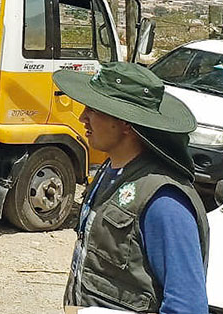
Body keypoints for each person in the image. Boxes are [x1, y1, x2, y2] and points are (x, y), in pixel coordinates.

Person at [56, 62, 209, 313]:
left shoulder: (164, 201)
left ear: (127, 123)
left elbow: (187, 306)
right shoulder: (110, 171)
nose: (83, 117)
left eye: (95, 110)